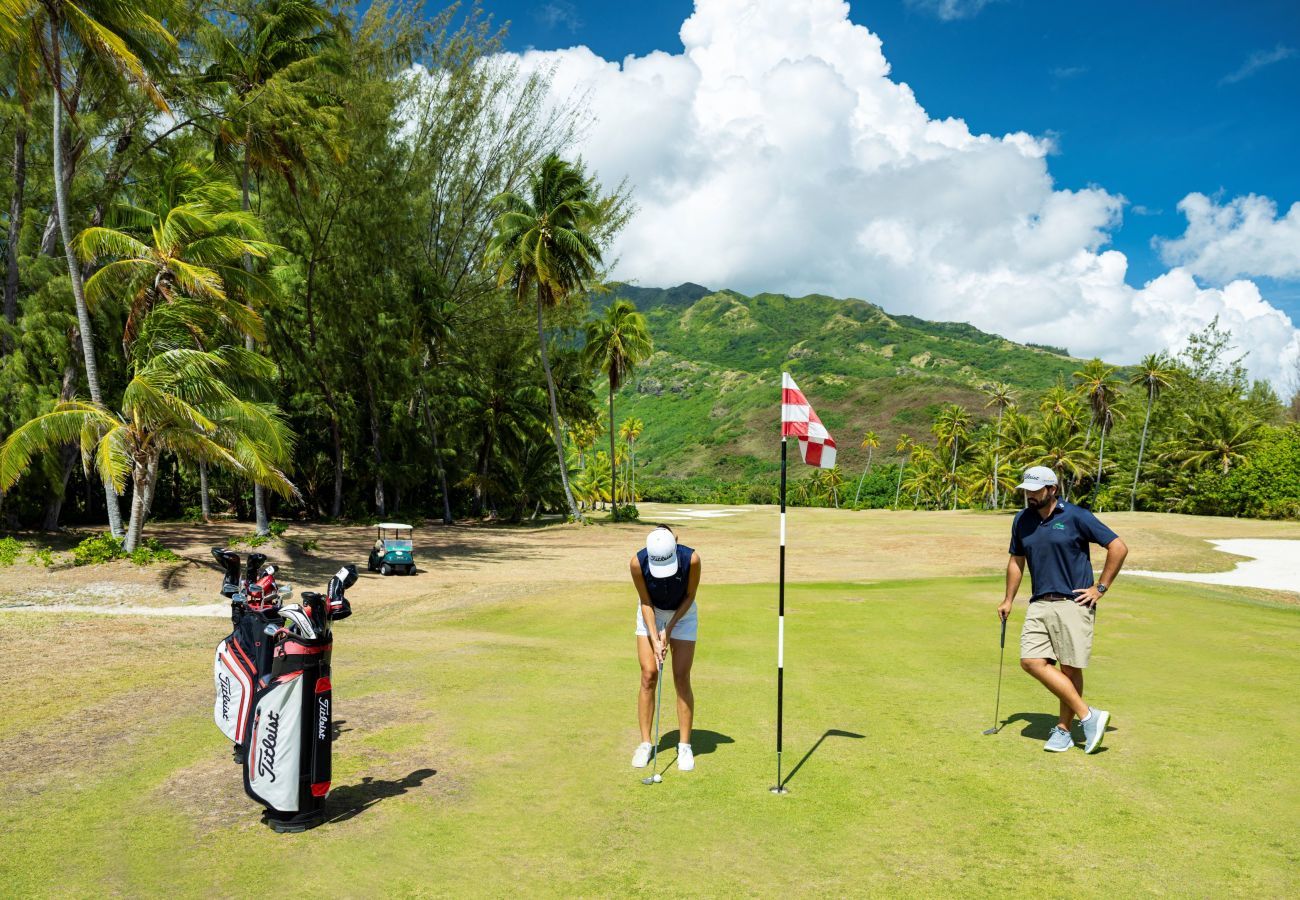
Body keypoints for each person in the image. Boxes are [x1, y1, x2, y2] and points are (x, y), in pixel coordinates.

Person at [998, 465, 1129, 753]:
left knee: (1069, 668)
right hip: (1039, 603)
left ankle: (1063, 729)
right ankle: (1088, 715)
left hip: (1073, 602)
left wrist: (1101, 588)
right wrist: (1008, 599)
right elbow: (1016, 561)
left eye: (1035, 491)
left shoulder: (1076, 516)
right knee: (1031, 661)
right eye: (1026, 492)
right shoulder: (1022, 520)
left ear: (1053, 489)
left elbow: (1118, 547)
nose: (1030, 496)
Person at [629, 524, 701, 772]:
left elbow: (690, 595)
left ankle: (684, 746)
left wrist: (668, 630)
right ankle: (646, 743)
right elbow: (646, 601)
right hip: (650, 613)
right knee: (649, 674)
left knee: (681, 676)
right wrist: (654, 635)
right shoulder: (637, 563)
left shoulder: (690, 559)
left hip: (683, 615)